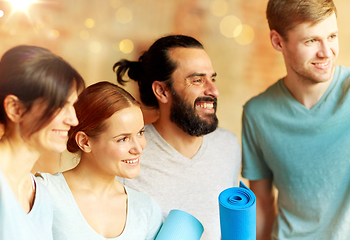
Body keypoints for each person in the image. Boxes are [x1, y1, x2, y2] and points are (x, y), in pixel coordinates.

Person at [113, 34, 241, 240]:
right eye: (197, 80)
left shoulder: (228, 146)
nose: (214, 90)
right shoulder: (127, 154)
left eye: (212, 79)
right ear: (162, 91)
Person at [241, 0, 350, 239]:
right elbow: (262, 204)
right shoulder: (257, 113)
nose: (326, 52)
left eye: (332, 36)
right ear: (278, 41)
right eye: (311, 41)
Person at [37, 81, 163, 240]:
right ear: (84, 142)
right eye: (123, 139)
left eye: (140, 133)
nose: (138, 148)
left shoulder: (146, 208)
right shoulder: (44, 192)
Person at [0, 45, 84, 239]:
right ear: (15, 109)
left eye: (72, 106)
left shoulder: (41, 195)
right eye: (59, 106)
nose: (73, 120)